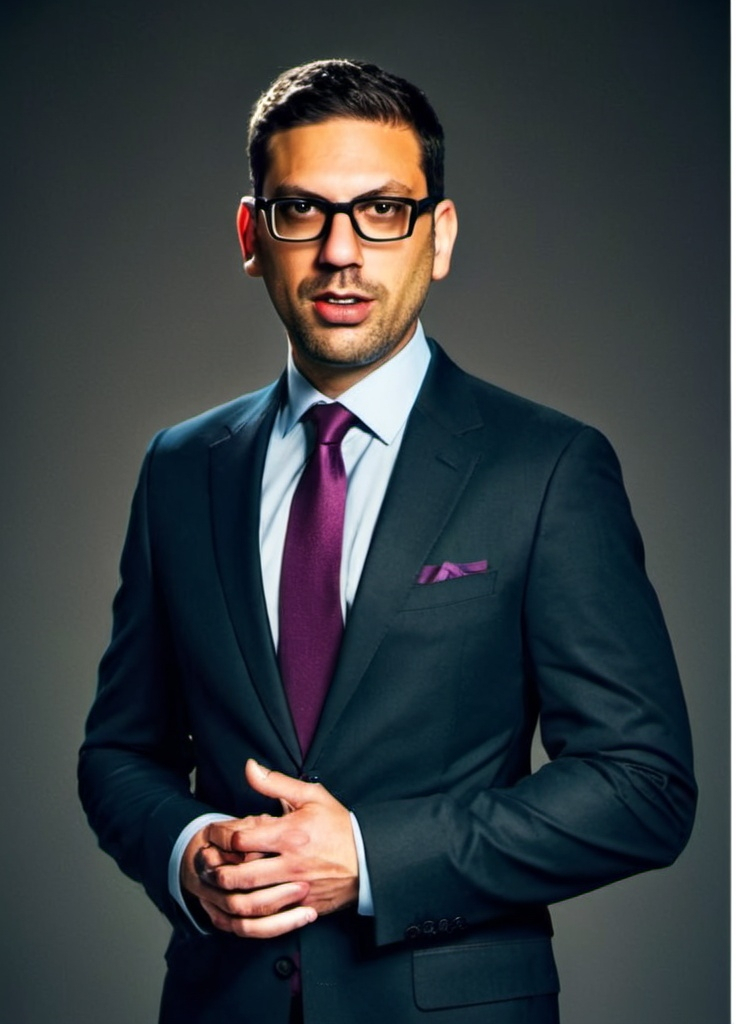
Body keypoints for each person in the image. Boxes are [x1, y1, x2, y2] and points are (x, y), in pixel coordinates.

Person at [78, 59, 696, 1024]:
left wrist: (367, 857)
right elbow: (119, 751)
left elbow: (642, 788)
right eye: (301, 212)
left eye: (382, 211)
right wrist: (188, 848)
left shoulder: (547, 468)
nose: (339, 251)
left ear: (438, 238)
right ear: (252, 236)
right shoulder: (180, 467)